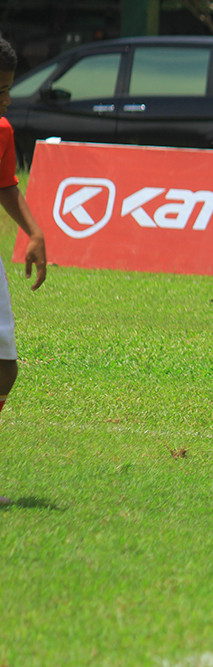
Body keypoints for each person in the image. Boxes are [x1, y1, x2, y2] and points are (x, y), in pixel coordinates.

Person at [0, 37, 48, 505]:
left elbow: (5, 185)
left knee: (4, 369)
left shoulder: (1, 130)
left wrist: (33, 232)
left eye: (8, 89)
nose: (7, 100)